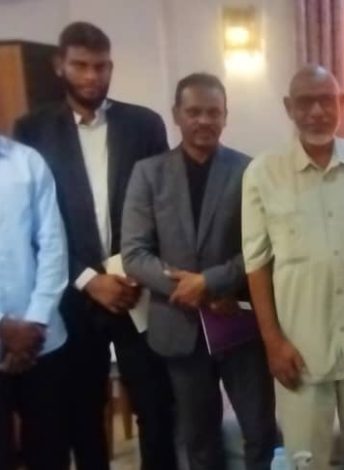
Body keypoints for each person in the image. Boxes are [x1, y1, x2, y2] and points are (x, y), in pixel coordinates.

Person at [13, 21, 176, 470]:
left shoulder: (144, 124)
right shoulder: (33, 130)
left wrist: (138, 271)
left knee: (156, 407)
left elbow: (161, 207)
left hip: (137, 290)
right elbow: (36, 225)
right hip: (73, 295)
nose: (91, 76)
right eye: (80, 65)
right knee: (82, 413)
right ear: (59, 65)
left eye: (101, 66)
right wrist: (89, 279)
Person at [122, 73, 277, 469]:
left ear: (225, 116)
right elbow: (134, 254)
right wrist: (187, 287)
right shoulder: (148, 173)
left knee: (261, 432)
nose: (204, 120)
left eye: (213, 112)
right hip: (180, 326)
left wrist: (210, 281)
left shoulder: (249, 170)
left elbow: (261, 247)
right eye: (194, 112)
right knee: (199, 440)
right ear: (176, 114)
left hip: (238, 322)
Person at [242, 65, 344, 470]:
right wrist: (273, 343)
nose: (317, 112)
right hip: (300, 349)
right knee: (306, 460)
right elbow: (256, 265)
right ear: (289, 107)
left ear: (342, 103)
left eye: (327, 101)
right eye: (305, 102)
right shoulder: (263, 173)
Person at [0, 135, 69, 470]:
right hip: (16, 334)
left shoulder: (28, 161)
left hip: (41, 340)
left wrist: (36, 320)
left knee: (49, 452)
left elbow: (53, 244)